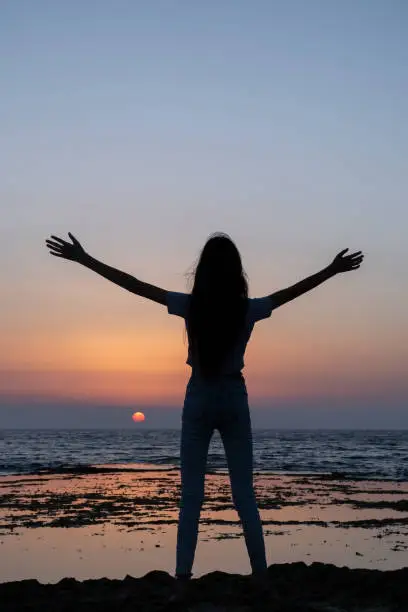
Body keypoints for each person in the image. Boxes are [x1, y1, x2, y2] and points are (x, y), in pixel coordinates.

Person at [45, 231, 364, 599]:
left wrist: (85, 260)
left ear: (203, 272)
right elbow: (291, 293)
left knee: (191, 497)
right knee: (244, 493)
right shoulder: (248, 309)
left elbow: (136, 286)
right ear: (236, 272)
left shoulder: (192, 305)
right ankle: (260, 577)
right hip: (233, 395)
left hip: (199, 396)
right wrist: (331, 270)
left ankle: (182, 582)